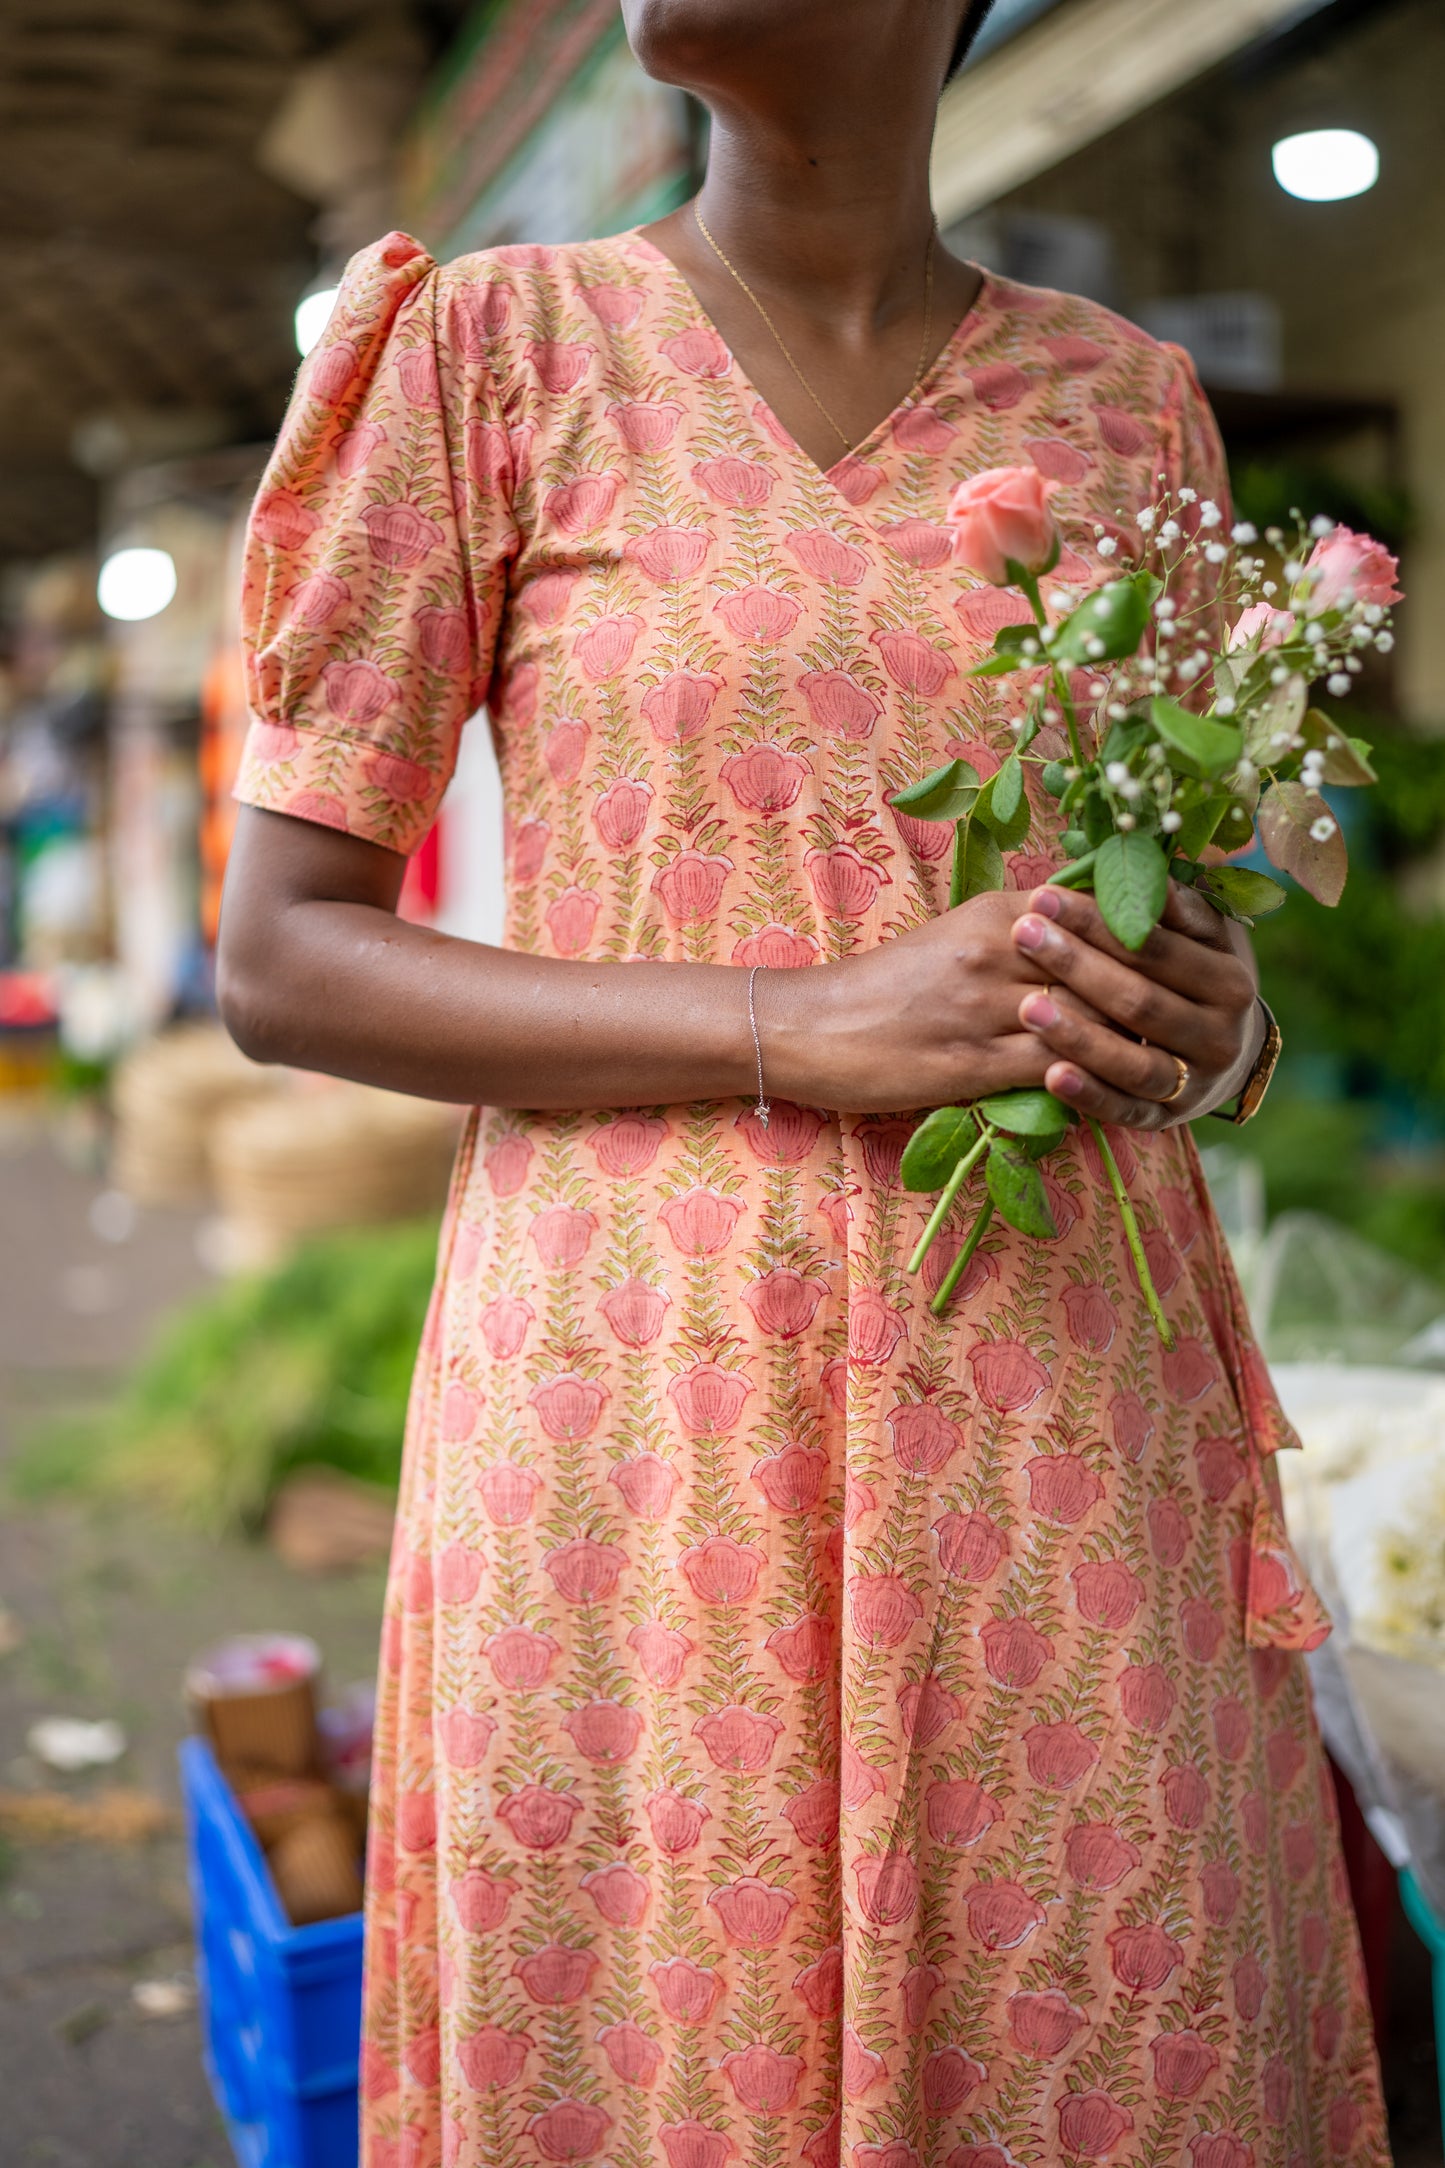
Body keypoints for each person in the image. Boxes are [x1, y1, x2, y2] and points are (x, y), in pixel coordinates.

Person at [218, 1, 1389, 2160]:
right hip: (645, 1401)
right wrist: (791, 1020)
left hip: (1058, 1393)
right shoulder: (495, 346)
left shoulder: (1126, 404)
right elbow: (281, 959)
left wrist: (1215, 1030)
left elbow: (1165, 909)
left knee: (1089, 2030)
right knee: (677, 2031)